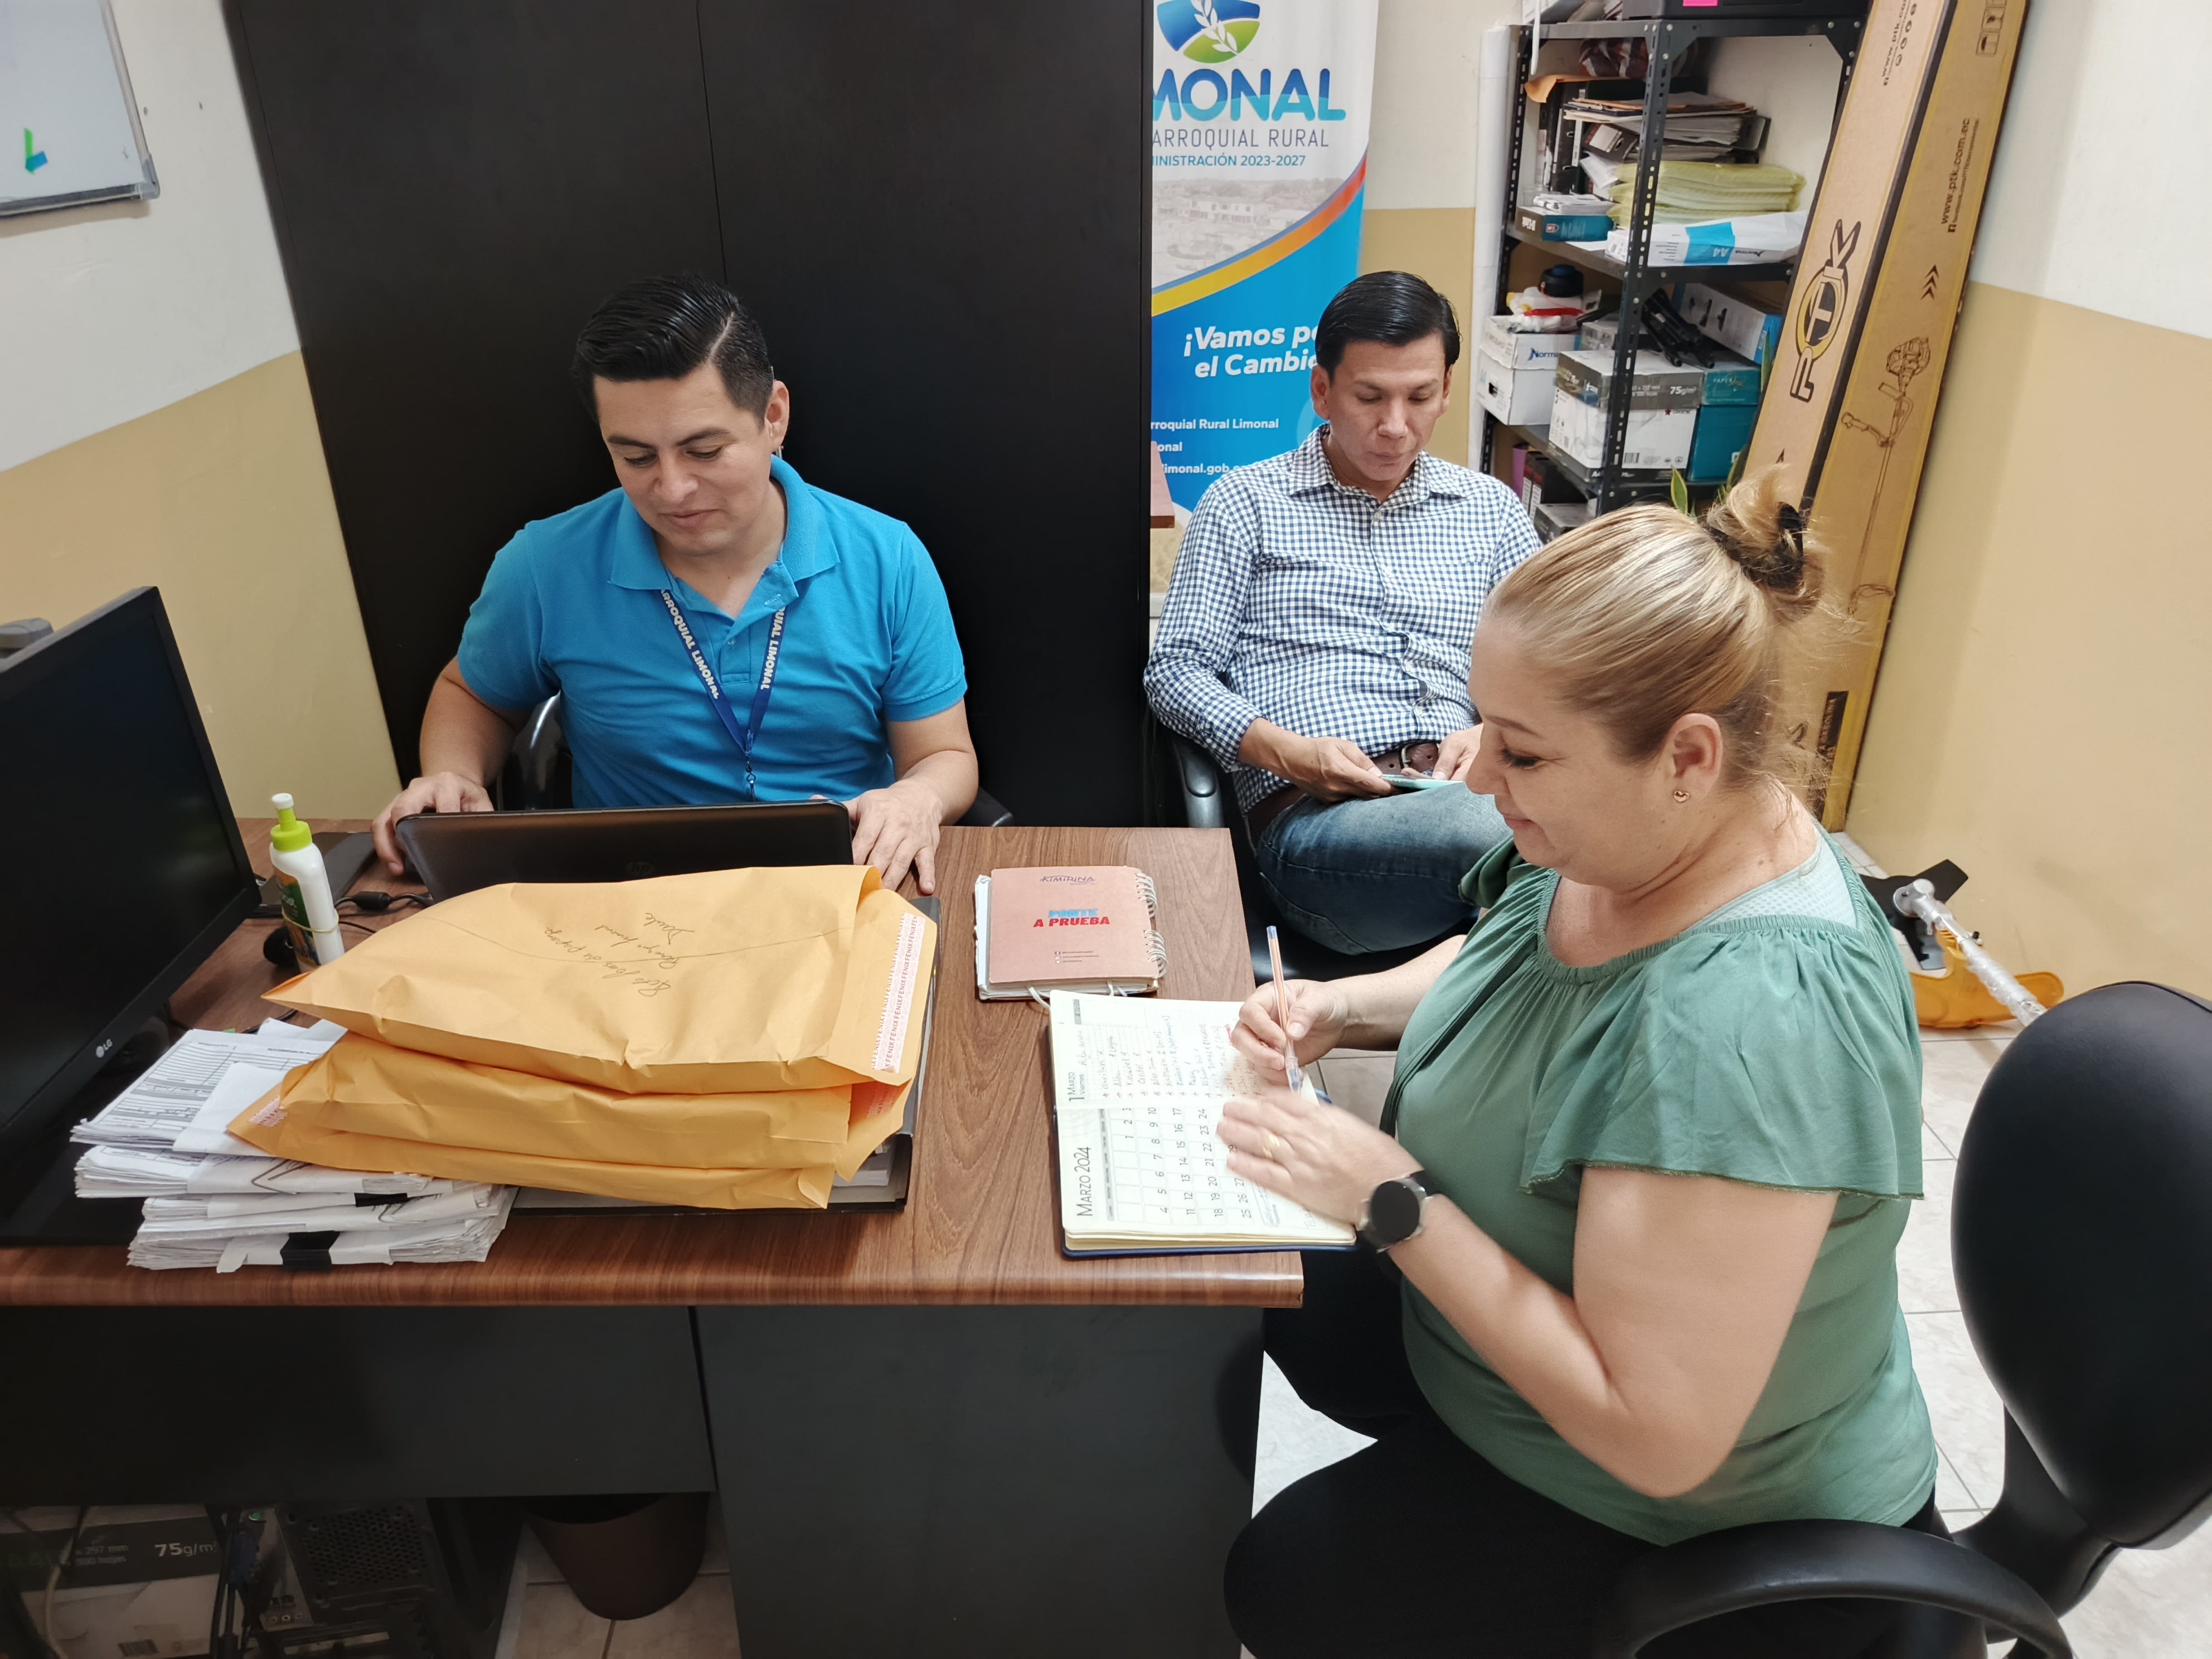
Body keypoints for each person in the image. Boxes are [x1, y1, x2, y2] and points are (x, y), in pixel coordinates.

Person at [1213, 476, 1938, 1658]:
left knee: (1285, 1579)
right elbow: (1510, 956)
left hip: (1686, 1527)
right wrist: (1342, 1008)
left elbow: (1656, 1433)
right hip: (1509, 1369)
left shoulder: (1745, 1022)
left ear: (1686, 753)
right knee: (1230, 1307)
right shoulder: (1637, 831)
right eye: (1485, 729)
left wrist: (1391, 1197)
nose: (1477, 780)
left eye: (1523, 753)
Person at [370, 274, 976, 892]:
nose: (673, 489)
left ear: (772, 416)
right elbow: (473, 694)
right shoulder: (544, 564)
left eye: (704, 451)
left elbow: (943, 755)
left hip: (841, 881)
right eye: (636, 457)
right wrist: (452, 776)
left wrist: (916, 800)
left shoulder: (887, 558)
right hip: (631, 892)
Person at [1144, 270, 1540, 955]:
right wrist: (1290, 755)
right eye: (1369, 397)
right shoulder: (1244, 503)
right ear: (1322, 391)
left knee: (1600, 821)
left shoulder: (1490, 511)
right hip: (1321, 824)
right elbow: (1175, 672)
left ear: (1448, 389)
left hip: (1470, 788)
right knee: (1531, 836)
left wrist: (1495, 732)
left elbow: (1550, 665)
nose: (1395, 426)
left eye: (1419, 397)